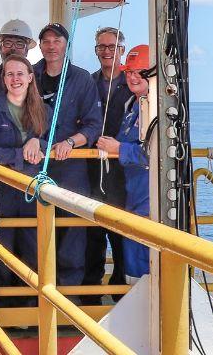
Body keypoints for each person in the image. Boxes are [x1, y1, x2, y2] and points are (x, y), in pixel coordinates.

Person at [32, 23, 103, 297]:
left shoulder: (82, 79)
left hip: (72, 168)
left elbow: (93, 125)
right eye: (46, 41)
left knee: (72, 232)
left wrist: (71, 142)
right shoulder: (29, 76)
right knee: (33, 232)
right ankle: (35, 297)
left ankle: (68, 299)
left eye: (57, 40)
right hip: (35, 166)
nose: (51, 46)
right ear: (40, 46)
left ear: (66, 45)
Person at [0, 54, 51, 294]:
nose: (15, 78)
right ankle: (3, 304)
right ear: (3, 79)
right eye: (9, 74)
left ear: (31, 77)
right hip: (2, 190)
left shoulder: (45, 111)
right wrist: (21, 154)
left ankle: (33, 303)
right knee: (2, 245)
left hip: (34, 188)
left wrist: (37, 142)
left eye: (20, 73)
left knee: (34, 245)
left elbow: (56, 140)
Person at [83, 26, 132, 297]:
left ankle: (121, 285)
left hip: (122, 168)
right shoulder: (89, 83)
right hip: (91, 165)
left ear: (122, 50)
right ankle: (90, 287)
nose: (106, 52)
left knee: (120, 228)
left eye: (112, 47)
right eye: (101, 47)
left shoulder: (131, 83)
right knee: (91, 228)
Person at [95, 44, 152, 280]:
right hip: (134, 196)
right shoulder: (133, 106)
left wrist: (118, 149)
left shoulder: (161, 109)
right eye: (129, 72)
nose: (132, 77)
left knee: (147, 261)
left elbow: (159, 154)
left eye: (138, 72)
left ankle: (151, 313)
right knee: (133, 260)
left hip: (152, 200)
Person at [0, 19, 36, 85]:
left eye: (19, 44)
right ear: (0, 48)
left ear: (26, 51)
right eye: (8, 43)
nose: (13, 48)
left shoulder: (36, 80)